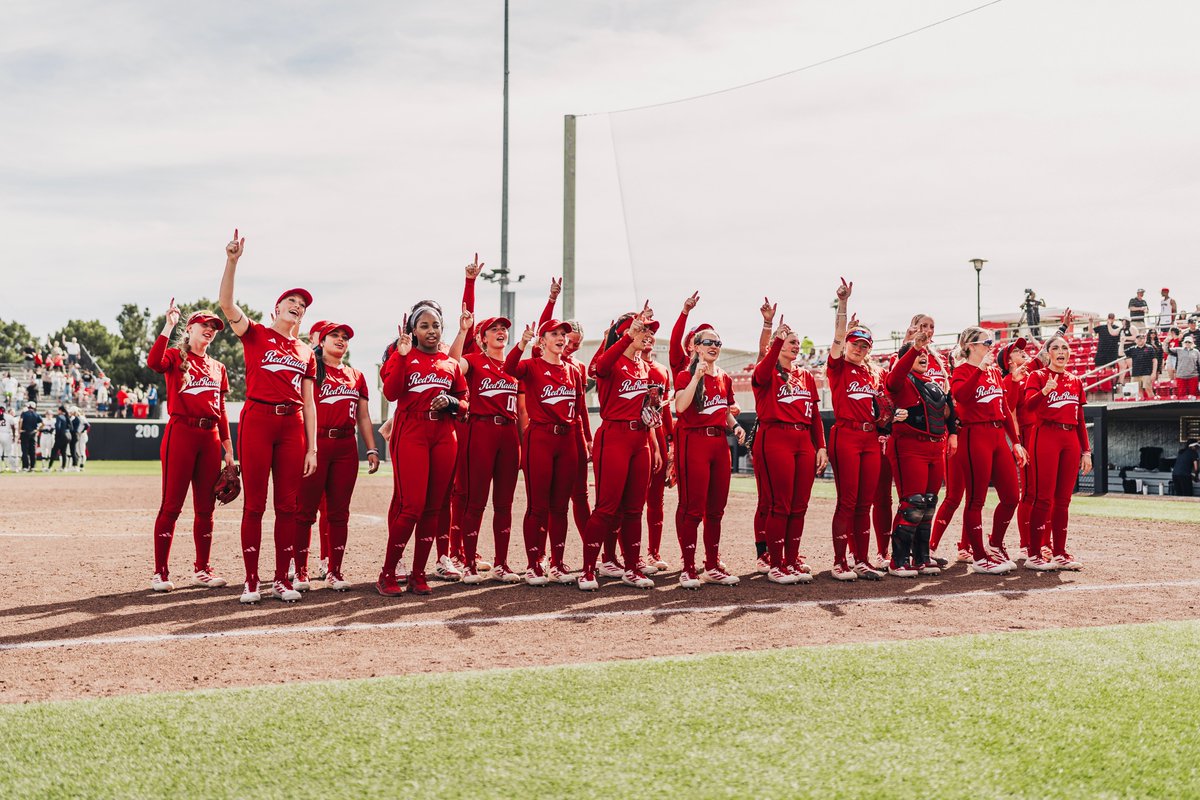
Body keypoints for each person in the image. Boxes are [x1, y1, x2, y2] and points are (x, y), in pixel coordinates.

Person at [219, 229, 319, 604]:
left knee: (288, 506)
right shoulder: (256, 334)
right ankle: (250, 580)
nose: (297, 305)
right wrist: (232, 261)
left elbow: (309, 402)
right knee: (255, 503)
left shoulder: (307, 351)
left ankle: (281, 579)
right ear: (276, 308)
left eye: (302, 304)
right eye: (291, 300)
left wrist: (312, 447)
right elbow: (227, 305)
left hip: (292, 424)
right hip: (258, 419)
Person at [377, 301, 469, 597]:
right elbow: (391, 392)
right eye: (424, 326)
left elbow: (465, 404)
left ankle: (418, 574)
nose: (431, 331)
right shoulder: (403, 355)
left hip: (444, 433)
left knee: (433, 508)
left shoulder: (450, 363)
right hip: (412, 430)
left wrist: (453, 403)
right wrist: (403, 357)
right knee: (411, 507)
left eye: (436, 326)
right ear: (413, 331)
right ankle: (388, 572)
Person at [146, 301, 237, 592]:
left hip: (209, 438)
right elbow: (153, 362)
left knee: (206, 508)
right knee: (172, 505)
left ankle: (202, 570)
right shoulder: (175, 356)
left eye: (213, 328)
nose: (210, 330)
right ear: (190, 329)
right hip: (182, 433)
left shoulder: (218, 367)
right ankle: (160, 572)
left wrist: (229, 450)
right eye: (204, 325)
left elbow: (221, 410)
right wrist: (168, 325)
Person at [578, 306, 662, 591]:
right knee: (606, 508)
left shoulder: (645, 366)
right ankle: (588, 569)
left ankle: (633, 566)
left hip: (640, 440)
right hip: (614, 436)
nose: (648, 333)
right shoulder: (610, 362)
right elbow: (599, 367)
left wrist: (654, 413)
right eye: (643, 328)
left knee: (635, 509)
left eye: (649, 330)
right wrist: (625, 335)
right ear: (625, 332)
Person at [294, 321, 380, 593]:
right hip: (316, 442)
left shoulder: (356, 375)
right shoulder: (311, 369)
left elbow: (364, 416)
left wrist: (371, 448)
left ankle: (335, 570)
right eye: (335, 335)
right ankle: (300, 570)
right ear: (321, 341)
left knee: (339, 513)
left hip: (345, 447)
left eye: (345, 337)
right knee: (305, 512)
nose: (341, 340)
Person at [506, 318, 586, 585]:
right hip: (540, 437)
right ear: (543, 342)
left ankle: (558, 562)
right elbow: (508, 368)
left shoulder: (573, 371)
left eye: (563, 333)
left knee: (560, 507)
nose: (561, 337)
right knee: (537, 506)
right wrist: (522, 343)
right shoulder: (531, 366)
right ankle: (532, 564)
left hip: (566, 441)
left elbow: (578, 412)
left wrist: (582, 441)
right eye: (554, 334)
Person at [447, 309, 520, 584]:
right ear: (482, 338)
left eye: (504, 328)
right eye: (494, 329)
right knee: (475, 501)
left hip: (509, 434)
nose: (501, 332)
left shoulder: (513, 366)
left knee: (505, 503)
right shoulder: (475, 360)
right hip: (481, 430)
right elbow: (451, 364)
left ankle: (502, 563)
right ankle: (469, 563)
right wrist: (463, 330)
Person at [752, 317, 826, 584]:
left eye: (796, 342)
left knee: (799, 505)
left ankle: (792, 559)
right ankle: (775, 563)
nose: (795, 345)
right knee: (779, 504)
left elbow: (815, 414)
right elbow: (760, 374)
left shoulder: (805, 375)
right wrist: (775, 339)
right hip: (775, 437)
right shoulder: (767, 370)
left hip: (802, 439)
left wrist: (821, 446)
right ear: (778, 345)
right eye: (790, 341)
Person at [950, 327, 1029, 574]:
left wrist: (1015, 441)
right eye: (985, 342)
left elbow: (1004, 408)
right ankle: (979, 556)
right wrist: (980, 369)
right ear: (971, 346)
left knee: (1011, 496)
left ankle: (994, 543)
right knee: (976, 499)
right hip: (974, 435)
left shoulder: (995, 371)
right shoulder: (962, 371)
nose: (990, 346)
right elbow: (961, 396)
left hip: (997, 436)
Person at [673, 325, 744, 588]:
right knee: (693, 509)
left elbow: (724, 410)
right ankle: (688, 568)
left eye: (717, 342)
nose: (714, 346)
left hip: (718, 442)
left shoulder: (724, 376)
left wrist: (735, 425)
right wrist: (696, 378)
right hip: (694, 441)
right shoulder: (685, 375)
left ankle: (712, 565)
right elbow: (680, 406)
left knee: (716, 510)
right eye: (707, 342)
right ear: (695, 346)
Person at [826, 279, 884, 581]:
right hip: (846, 434)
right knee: (847, 501)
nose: (859, 349)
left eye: (864, 345)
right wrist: (844, 305)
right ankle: (840, 561)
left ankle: (861, 558)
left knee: (865, 502)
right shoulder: (838, 367)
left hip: (870, 437)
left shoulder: (872, 372)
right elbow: (837, 338)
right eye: (855, 343)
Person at [884, 329, 954, 576]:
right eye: (917, 355)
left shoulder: (933, 384)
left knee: (928, 504)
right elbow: (894, 379)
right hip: (910, 447)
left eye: (925, 354)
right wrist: (913, 347)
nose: (923, 356)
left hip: (935, 448)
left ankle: (921, 558)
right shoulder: (900, 381)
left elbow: (949, 414)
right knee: (912, 504)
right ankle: (898, 560)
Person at [1023, 335, 1093, 570]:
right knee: (1043, 498)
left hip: (1070, 439)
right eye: (1055, 348)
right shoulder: (1038, 376)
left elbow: (1080, 418)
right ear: (1048, 353)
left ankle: (1060, 552)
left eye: (1065, 347)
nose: (1061, 351)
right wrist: (1044, 391)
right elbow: (1028, 406)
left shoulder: (1075, 380)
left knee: (1063, 500)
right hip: (1046, 436)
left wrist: (1086, 450)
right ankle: (1034, 554)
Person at [1125, 332, 1158, 400]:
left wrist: (1154, 372)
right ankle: (1142, 405)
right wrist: (1122, 343)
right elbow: (1121, 353)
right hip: (1135, 373)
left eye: (1142, 338)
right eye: (1138, 338)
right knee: (1138, 391)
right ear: (1135, 340)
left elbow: (1155, 361)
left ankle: (1153, 404)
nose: (1140, 340)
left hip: (1147, 373)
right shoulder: (1132, 349)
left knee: (1148, 389)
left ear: (1145, 339)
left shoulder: (1150, 348)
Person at [18, 402, 40, 471]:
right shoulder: (36, 414)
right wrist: (37, 430)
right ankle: (32, 466)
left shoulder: (24, 413)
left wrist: (20, 430)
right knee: (32, 451)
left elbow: (20, 421)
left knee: (25, 451)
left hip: (25, 433)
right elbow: (43, 423)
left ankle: (25, 467)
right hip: (33, 434)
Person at [0, 405, 16, 472]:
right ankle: (13, 468)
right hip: (6, 434)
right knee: (9, 453)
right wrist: (14, 436)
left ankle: (0, 468)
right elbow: (13, 427)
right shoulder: (9, 416)